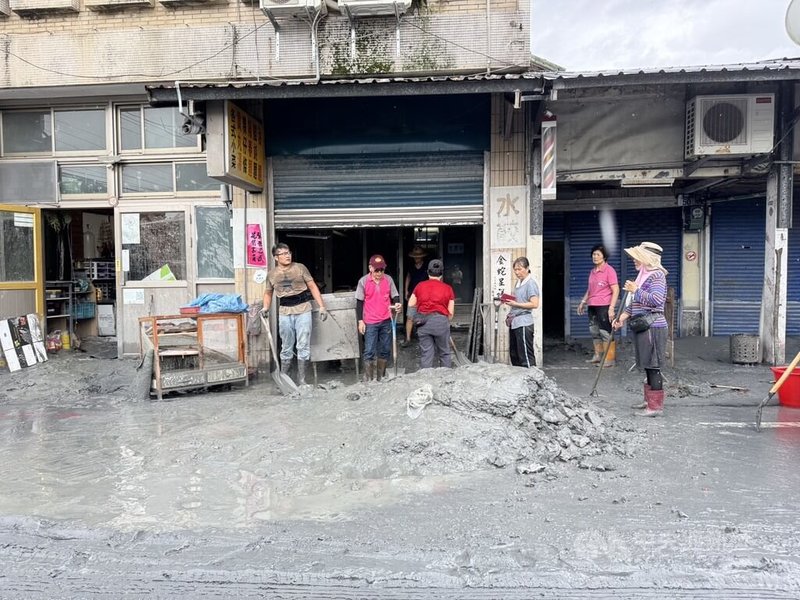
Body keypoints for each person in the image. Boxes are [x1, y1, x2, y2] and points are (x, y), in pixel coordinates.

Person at [612, 241, 668, 417]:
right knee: (647, 365)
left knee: (653, 366)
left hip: (653, 326)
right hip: (643, 326)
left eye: (637, 258)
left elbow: (657, 300)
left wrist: (636, 290)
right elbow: (636, 304)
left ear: (647, 259)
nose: (634, 261)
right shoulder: (643, 276)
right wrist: (622, 317)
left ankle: (655, 408)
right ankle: (648, 401)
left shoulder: (657, 275)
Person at [262, 242, 327, 386]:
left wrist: (322, 306)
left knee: (303, 345)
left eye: (289, 253)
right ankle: (286, 380)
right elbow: (268, 293)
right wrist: (265, 308)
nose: (287, 256)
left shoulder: (300, 268)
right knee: (286, 346)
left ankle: (302, 379)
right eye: (283, 254)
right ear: (276, 257)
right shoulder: (271, 275)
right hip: (285, 312)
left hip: (303, 309)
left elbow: (312, 286)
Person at [355, 254, 402, 382]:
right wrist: (360, 321)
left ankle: (380, 378)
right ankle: (369, 380)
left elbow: (395, 296)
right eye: (377, 270)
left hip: (386, 320)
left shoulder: (388, 280)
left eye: (382, 270)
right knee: (369, 350)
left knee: (385, 350)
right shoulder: (363, 281)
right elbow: (359, 302)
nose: (379, 273)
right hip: (370, 321)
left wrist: (397, 303)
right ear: (370, 268)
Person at [576, 244, 620, 366]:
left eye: (598, 254)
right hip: (592, 305)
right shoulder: (593, 271)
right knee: (594, 331)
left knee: (605, 332)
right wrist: (583, 302)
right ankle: (598, 356)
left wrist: (611, 308)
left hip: (604, 305)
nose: (595, 257)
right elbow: (590, 290)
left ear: (604, 257)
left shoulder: (609, 270)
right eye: (593, 254)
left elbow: (616, 290)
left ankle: (610, 359)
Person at [408, 259, 455, 369]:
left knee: (427, 354)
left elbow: (411, 303)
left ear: (428, 272)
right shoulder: (448, 289)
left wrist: (422, 305)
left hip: (423, 322)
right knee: (444, 353)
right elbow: (451, 312)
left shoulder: (420, 286)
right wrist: (445, 323)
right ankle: (445, 380)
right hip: (441, 322)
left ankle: (427, 381)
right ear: (441, 273)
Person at [502, 256, 540, 368]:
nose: (517, 272)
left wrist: (515, 304)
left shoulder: (531, 284)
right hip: (515, 322)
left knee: (525, 356)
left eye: (520, 269)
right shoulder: (518, 283)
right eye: (515, 269)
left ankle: (532, 380)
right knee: (515, 355)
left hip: (524, 322)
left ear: (527, 268)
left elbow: (534, 304)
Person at [402, 245, 428, 348]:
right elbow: (408, 277)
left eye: (418, 256)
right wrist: (406, 290)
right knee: (410, 317)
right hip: (413, 294)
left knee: (425, 317)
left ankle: (424, 338)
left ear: (422, 257)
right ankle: (408, 339)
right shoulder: (411, 266)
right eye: (415, 256)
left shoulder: (426, 266)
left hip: (425, 295)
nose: (416, 258)